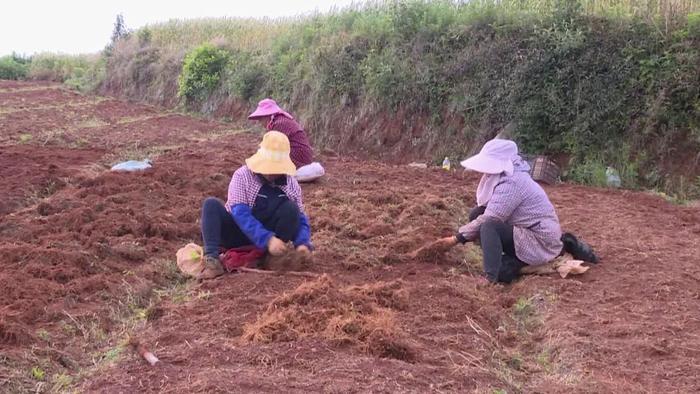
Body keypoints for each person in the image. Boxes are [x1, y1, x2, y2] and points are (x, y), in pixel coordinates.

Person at [434, 139, 596, 284]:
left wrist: (455, 239)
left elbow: (491, 217)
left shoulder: (513, 182)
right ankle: (499, 262)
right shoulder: (503, 176)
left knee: (489, 226)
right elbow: (486, 211)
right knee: (477, 214)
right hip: (525, 230)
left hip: (540, 239)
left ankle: (491, 277)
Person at [197, 131, 313, 279]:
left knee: (291, 209)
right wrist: (267, 239)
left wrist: (302, 243)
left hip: (269, 238)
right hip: (236, 232)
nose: (272, 173)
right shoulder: (242, 176)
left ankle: (271, 257)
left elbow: (300, 218)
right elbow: (241, 214)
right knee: (211, 205)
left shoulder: (291, 184)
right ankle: (212, 262)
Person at [248, 98, 324, 182]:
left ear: (267, 116)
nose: (260, 122)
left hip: (298, 157)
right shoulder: (281, 120)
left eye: (260, 119)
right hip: (302, 156)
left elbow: (272, 148)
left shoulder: (279, 124)